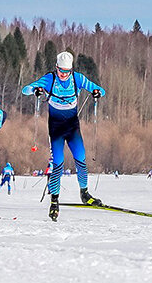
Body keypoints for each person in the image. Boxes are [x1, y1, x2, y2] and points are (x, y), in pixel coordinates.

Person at [22, 51, 105, 221]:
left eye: (67, 71)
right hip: (56, 128)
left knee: (81, 158)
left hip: (72, 127)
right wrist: (36, 90)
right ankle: (54, 200)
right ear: (56, 67)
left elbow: (99, 89)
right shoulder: (50, 79)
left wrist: (97, 92)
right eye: (61, 71)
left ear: (71, 70)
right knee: (58, 163)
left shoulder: (78, 79)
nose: (64, 75)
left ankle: (85, 193)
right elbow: (25, 89)